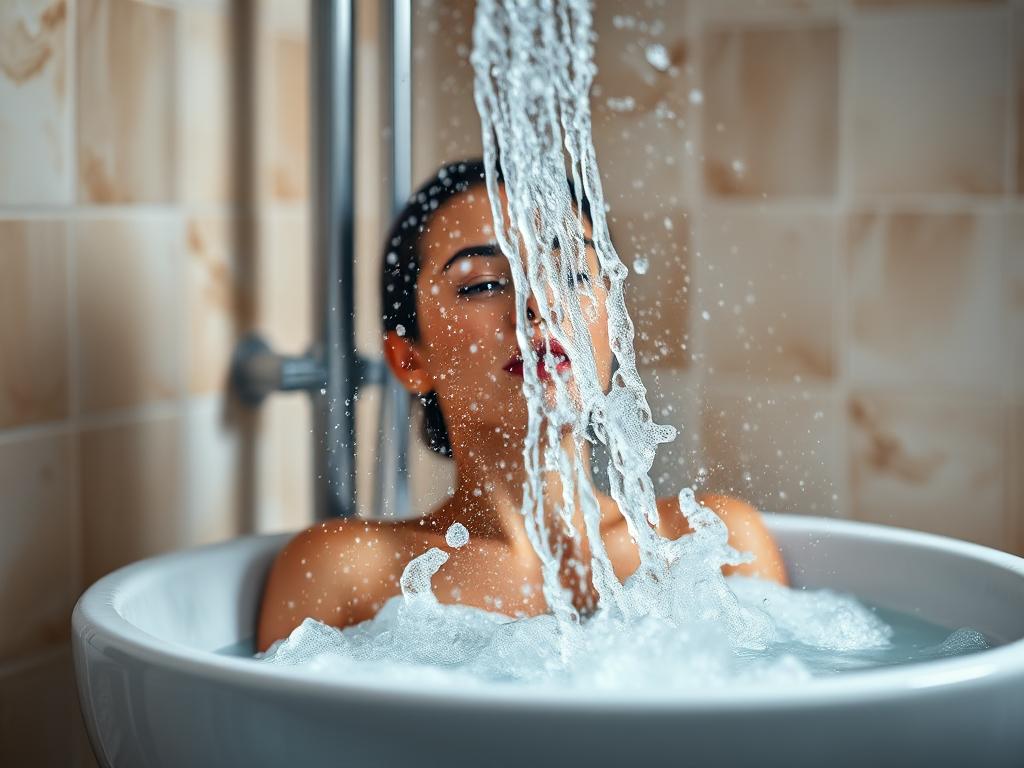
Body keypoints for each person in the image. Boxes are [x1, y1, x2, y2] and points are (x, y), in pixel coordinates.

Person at [256, 160, 786, 651]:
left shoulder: (708, 545)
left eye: (574, 274)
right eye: (483, 284)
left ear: (614, 323)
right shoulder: (349, 572)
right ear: (409, 359)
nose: (538, 304)